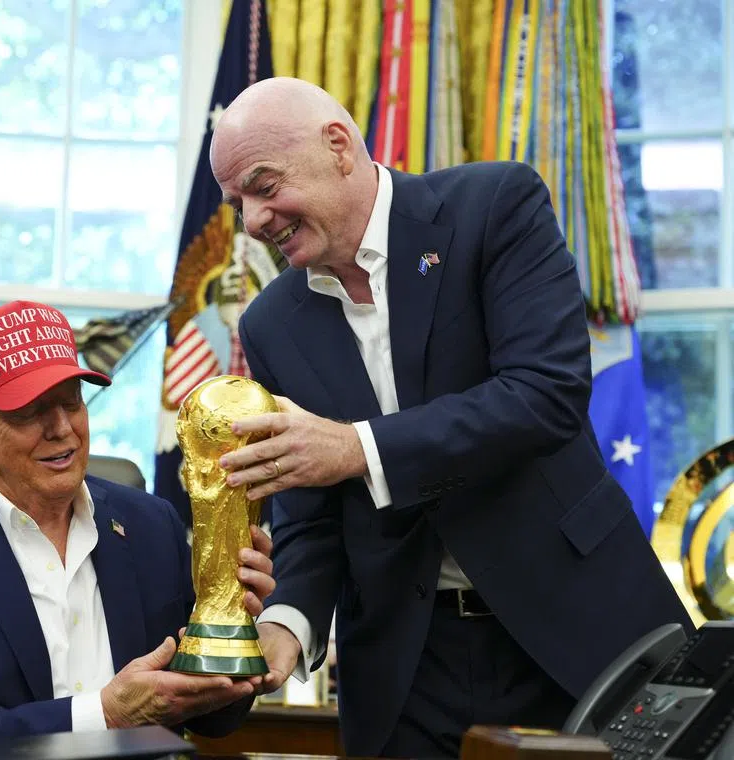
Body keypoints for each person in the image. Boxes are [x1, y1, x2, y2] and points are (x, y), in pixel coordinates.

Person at [208, 77, 695, 758]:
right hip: (406, 671)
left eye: (264, 187)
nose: (254, 220)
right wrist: (286, 627)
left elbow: (545, 393)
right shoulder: (271, 323)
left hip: (576, 630)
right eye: (238, 204)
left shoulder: (493, 205)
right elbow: (311, 525)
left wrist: (358, 449)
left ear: (339, 147)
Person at [0, 300, 276, 742]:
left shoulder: (151, 525)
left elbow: (214, 720)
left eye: (72, 401)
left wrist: (234, 637)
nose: (62, 429)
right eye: (30, 411)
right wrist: (104, 715)